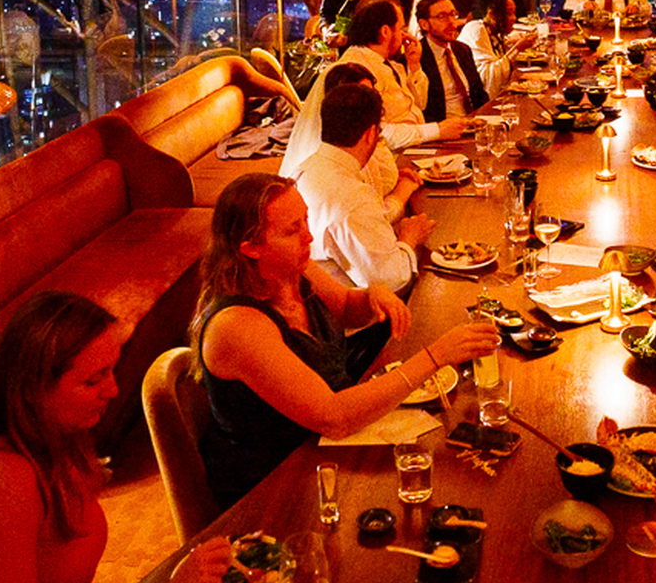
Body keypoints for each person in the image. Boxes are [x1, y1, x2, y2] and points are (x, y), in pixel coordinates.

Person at [0, 292, 234, 583]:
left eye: (112, 369)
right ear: (33, 389)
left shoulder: (59, 438)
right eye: (92, 380)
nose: (112, 390)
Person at [192, 175, 501, 508]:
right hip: (276, 488)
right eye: (291, 230)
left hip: (324, 447)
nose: (308, 237)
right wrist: (436, 355)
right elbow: (334, 417)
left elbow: (344, 309)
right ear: (250, 248)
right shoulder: (237, 326)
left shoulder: (291, 269)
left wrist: (372, 296)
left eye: (306, 220)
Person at [281, 0, 468, 176]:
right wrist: (437, 131)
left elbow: (419, 105)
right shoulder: (355, 72)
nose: (405, 36)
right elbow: (377, 132)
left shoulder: (388, 63)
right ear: (386, 32)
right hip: (375, 167)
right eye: (401, 28)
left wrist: (414, 66)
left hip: (411, 152)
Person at [290, 82, 431, 291]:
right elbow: (391, 282)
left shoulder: (307, 168)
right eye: (380, 131)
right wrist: (409, 238)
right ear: (370, 133)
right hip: (346, 314)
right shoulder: (351, 195)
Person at [413, 0, 489, 122]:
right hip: (444, 131)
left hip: (475, 123)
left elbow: (479, 93)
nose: (451, 22)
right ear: (424, 24)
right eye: (442, 17)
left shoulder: (462, 50)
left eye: (453, 14)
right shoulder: (417, 57)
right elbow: (421, 110)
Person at [460, 0, 528, 92]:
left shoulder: (495, 33)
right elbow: (487, 79)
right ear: (492, 14)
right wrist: (517, 49)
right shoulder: (477, 30)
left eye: (514, 13)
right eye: (509, 13)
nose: (514, 18)